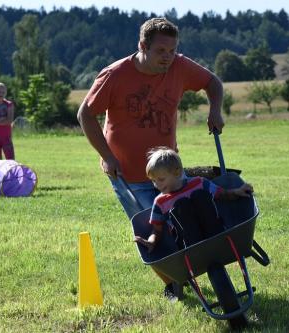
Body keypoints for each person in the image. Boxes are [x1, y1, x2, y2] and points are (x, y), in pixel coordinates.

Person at [77, 17, 225, 299]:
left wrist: (215, 110)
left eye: (172, 50)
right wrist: (107, 156)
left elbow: (213, 83)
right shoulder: (115, 74)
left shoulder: (180, 66)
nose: (168, 57)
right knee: (152, 230)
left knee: (186, 222)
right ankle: (173, 284)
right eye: (161, 51)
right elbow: (85, 114)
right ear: (142, 46)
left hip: (170, 171)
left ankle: (206, 274)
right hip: (126, 174)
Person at [134, 147, 253, 253]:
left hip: (215, 232)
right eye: (153, 181)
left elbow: (222, 194)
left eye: (161, 179)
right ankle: (196, 242)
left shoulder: (199, 183)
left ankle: (215, 234)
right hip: (188, 243)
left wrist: (237, 191)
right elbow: (157, 230)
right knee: (181, 205)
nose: (156, 185)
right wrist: (151, 241)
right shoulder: (160, 202)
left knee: (199, 196)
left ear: (177, 172)